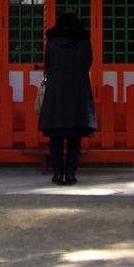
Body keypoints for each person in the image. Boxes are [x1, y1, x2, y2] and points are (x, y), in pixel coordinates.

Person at [38, 12, 96, 185]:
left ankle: (57, 173)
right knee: (74, 138)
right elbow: (88, 62)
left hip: (56, 93)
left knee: (55, 138)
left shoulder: (52, 42)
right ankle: (70, 173)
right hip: (78, 92)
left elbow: (48, 63)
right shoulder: (83, 41)